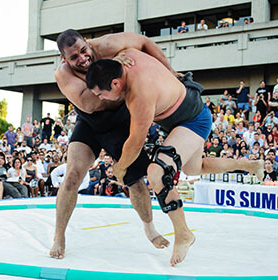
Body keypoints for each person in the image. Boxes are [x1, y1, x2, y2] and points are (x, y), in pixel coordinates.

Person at [86, 48, 263, 265]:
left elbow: (135, 142)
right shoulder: (128, 54)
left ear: (115, 83)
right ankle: (250, 165)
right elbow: (142, 41)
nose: (101, 99)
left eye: (100, 94)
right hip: (183, 112)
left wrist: (120, 169)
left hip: (192, 120)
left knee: (157, 172)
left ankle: (183, 233)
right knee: (194, 168)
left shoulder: (139, 96)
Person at [50, 30, 177, 260]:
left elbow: (145, 42)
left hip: (120, 119)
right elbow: (90, 104)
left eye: (83, 51)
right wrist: (110, 69)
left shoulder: (108, 44)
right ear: (64, 59)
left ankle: (149, 228)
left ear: (87, 43)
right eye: (74, 57)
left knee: (134, 179)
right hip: (90, 121)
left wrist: (170, 72)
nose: (82, 58)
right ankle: (59, 236)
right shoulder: (63, 74)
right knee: (71, 176)